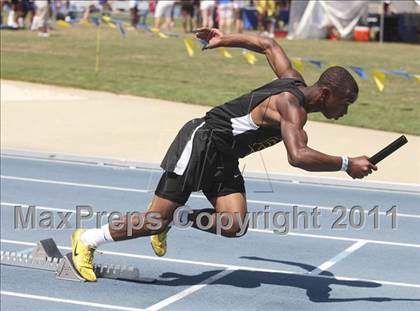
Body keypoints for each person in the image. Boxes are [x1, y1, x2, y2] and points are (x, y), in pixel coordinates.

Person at [70, 28, 377, 281]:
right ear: (325, 94)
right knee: (153, 220)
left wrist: (223, 38)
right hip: (201, 142)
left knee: (233, 224)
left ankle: (176, 217)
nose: (345, 111)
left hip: (224, 156)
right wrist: (347, 163)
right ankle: (87, 240)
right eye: (344, 102)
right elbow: (297, 155)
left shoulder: (294, 81)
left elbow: (268, 44)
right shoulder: (290, 105)